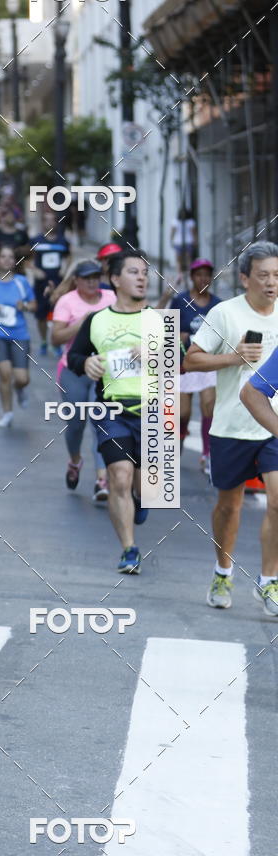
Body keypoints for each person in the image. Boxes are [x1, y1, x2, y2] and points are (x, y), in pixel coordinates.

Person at [184, 241, 278, 615]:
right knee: (229, 506)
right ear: (244, 278)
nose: (271, 283)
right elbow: (191, 360)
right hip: (231, 425)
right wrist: (233, 356)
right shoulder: (225, 314)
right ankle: (223, 571)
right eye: (263, 276)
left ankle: (269, 581)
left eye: (277, 275)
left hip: (272, 425)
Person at [67, 251, 158, 573]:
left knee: (146, 485)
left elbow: (185, 357)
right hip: (112, 410)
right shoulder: (96, 320)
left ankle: (142, 498)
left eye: (145, 272)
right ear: (116, 280)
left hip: (154, 410)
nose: (142, 277)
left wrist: (156, 350)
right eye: (134, 272)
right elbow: (75, 357)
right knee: (118, 476)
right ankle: (129, 549)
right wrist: (86, 363)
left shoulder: (158, 320)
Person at [52, 260, 117, 499]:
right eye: (87, 277)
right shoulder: (67, 302)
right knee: (76, 422)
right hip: (74, 370)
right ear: (76, 280)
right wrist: (81, 323)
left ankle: (102, 479)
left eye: (96, 277)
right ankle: (75, 460)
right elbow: (56, 338)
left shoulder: (111, 297)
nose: (92, 281)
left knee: (101, 421)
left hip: (105, 370)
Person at [162, 259, 222, 473]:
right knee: (182, 413)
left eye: (207, 274)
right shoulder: (180, 300)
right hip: (184, 363)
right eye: (199, 274)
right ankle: (182, 434)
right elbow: (164, 328)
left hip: (207, 363)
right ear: (192, 277)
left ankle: (207, 455)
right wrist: (178, 335)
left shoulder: (218, 304)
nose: (203, 279)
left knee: (209, 407)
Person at [0, 245, 36, 427]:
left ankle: (19, 390)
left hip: (19, 333)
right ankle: (7, 413)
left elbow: (34, 305)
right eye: (2, 256)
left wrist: (25, 306)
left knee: (22, 378)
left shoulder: (21, 282)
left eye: (10, 257)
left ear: (14, 261)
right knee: (5, 374)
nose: (6, 260)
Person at [30, 209, 71, 356]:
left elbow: (68, 256)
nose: (49, 223)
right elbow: (27, 260)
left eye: (52, 220)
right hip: (41, 283)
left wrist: (65, 269)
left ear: (56, 222)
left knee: (58, 313)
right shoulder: (36, 240)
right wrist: (35, 271)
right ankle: (43, 341)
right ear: (42, 222)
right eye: (46, 220)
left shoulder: (63, 241)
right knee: (41, 314)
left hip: (58, 283)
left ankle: (56, 342)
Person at [170, 206, 198, 275]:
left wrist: (171, 240)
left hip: (178, 242)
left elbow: (172, 233)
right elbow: (194, 233)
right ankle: (189, 273)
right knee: (188, 260)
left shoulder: (175, 221)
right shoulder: (191, 222)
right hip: (188, 242)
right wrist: (196, 241)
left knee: (178, 260)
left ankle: (179, 274)